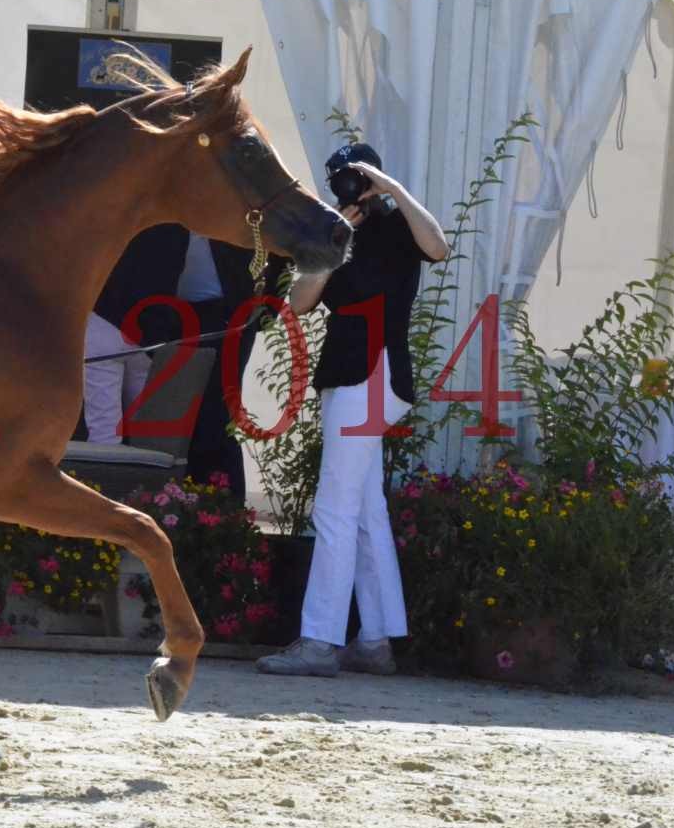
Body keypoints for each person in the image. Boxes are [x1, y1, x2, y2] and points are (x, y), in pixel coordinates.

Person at [256, 143, 449, 678]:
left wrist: (392, 190)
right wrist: (332, 237)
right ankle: (376, 639)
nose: (351, 189)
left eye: (357, 179)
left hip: (373, 374)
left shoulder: (398, 227)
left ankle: (319, 640)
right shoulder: (335, 234)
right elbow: (299, 302)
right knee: (363, 510)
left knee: (334, 510)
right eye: (343, 179)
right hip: (348, 376)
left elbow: (439, 247)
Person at [83, 225, 285, 495]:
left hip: (218, 318)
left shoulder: (234, 195)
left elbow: (281, 241)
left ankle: (211, 508)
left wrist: (265, 310)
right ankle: (147, 503)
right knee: (150, 426)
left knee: (211, 419)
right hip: (152, 321)